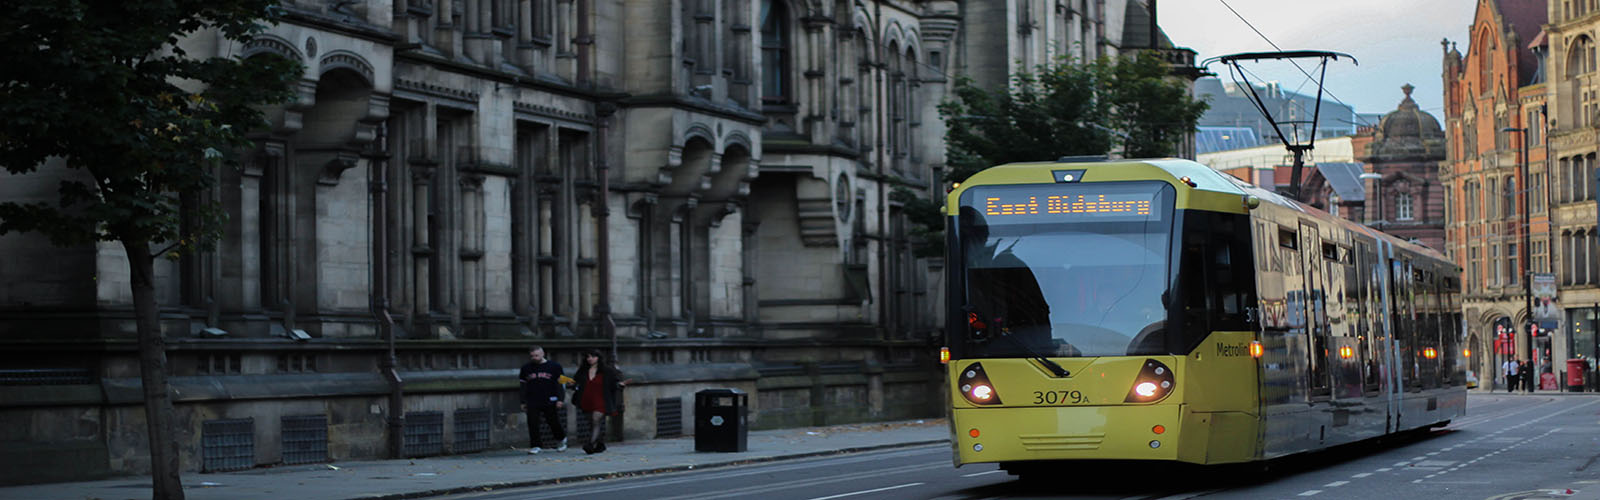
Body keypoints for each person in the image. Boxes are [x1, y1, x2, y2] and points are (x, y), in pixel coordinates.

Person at [572, 348, 626, 454]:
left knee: (596, 420)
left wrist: (619, 385)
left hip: (601, 400)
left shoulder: (607, 370)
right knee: (592, 423)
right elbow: (576, 382)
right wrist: (572, 384)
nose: (590, 359)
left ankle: (590, 444)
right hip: (586, 399)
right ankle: (600, 444)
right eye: (588, 357)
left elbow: (615, 382)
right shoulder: (583, 370)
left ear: (598, 358)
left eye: (593, 356)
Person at [519, 346, 567, 454]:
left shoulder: (554, 367)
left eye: (536, 355)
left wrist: (560, 399)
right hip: (532, 399)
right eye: (532, 356)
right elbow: (523, 386)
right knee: (533, 422)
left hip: (550, 398)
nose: (534, 358)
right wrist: (522, 401)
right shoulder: (526, 368)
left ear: (542, 354)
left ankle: (561, 439)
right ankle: (536, 445)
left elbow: (561, 384)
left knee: (553, 421)